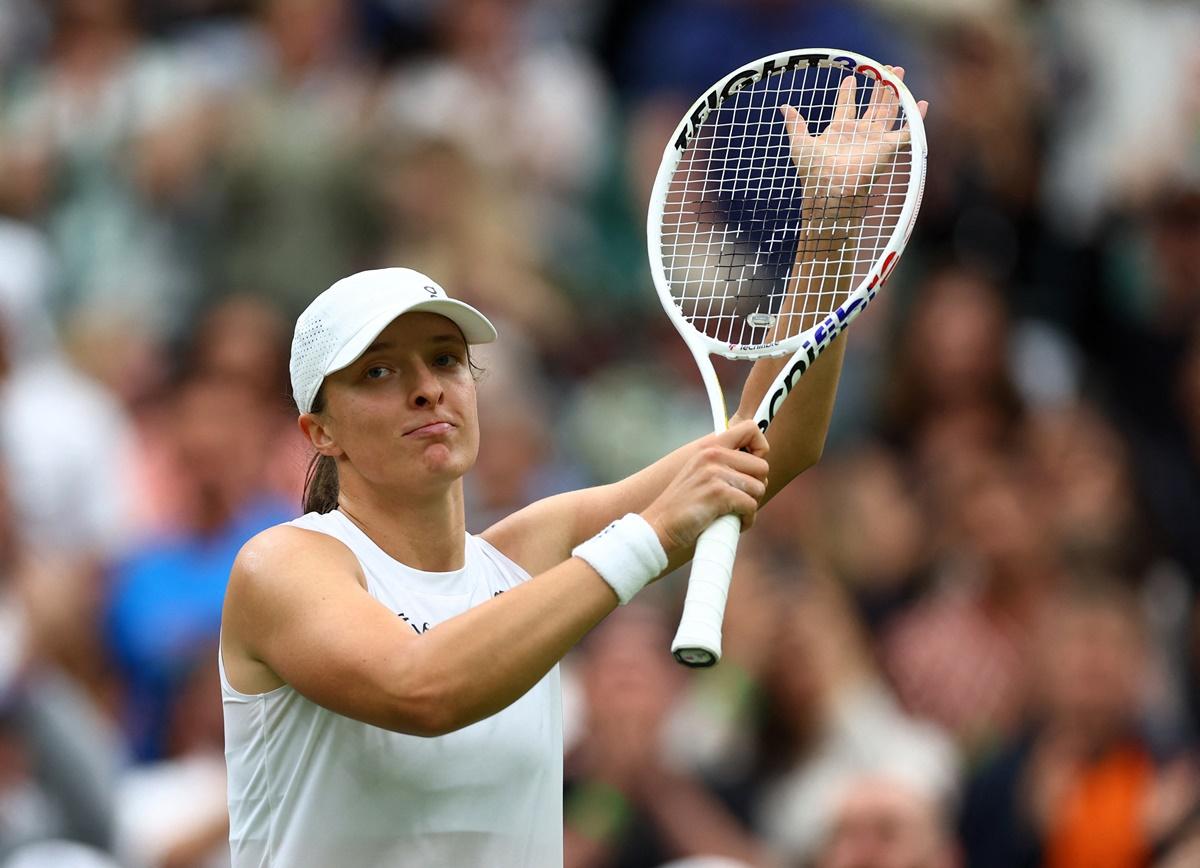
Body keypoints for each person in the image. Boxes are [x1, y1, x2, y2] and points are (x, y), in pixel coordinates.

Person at [219, 71, 928, 867]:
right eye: (379, 372)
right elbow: (422, 688)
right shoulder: (282, 566)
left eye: (446, 359)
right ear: (320, 431)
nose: (426, 386)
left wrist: (826, 240)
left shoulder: (532, 549)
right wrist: (650, 535)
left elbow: (773, 445)